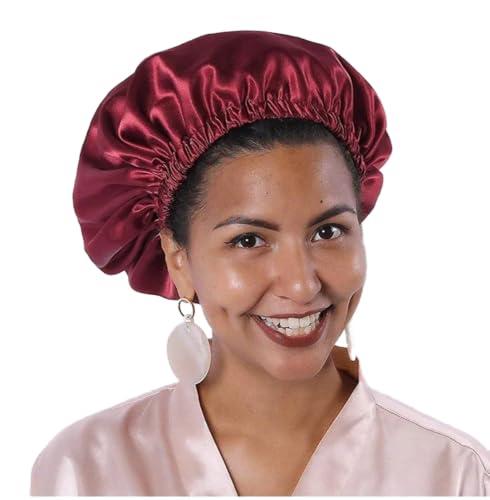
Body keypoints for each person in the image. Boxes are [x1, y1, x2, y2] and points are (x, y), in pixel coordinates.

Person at [30, 30, 489, 496]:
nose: (302, 284)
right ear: (179, 261)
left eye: (328, 232)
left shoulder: (453, 476)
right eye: (249, 240)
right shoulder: (86, 471)